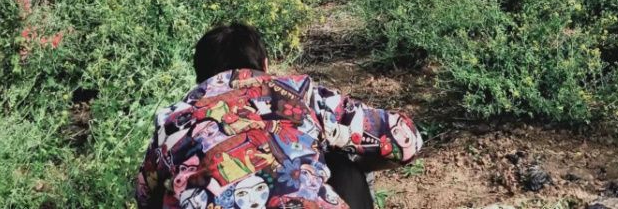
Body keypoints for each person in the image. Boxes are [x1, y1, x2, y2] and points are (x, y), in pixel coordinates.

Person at [135, 23, 422, 209]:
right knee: (339, 159)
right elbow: (407, 142)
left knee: (165, 187)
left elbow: (144, 195)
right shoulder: (299, 92)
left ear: (199, 78)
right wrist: (357, 157)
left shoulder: (173, 121)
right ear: (266, 65)